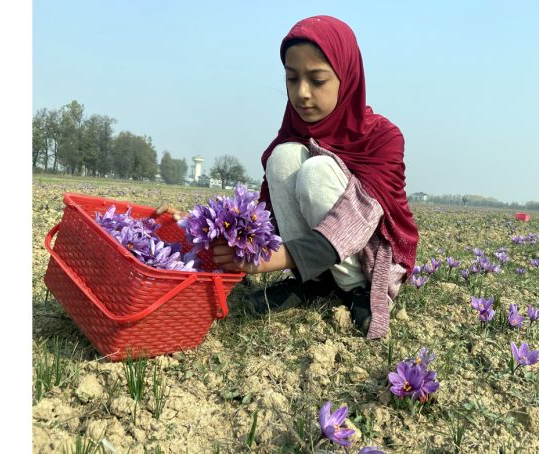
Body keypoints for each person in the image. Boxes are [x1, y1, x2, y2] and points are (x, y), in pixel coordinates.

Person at [168, 15, 419, 339]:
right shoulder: (295, 132)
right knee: (283, 157)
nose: (301, 93)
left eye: (317, 80)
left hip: (369, 255)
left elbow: (356, 218)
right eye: (292, 78)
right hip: (316, 256)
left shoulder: (382, 137)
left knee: (316, 170)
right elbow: (264, 209)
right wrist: (198, 225)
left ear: (347, 78)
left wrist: (273, 259)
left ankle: (356, 288)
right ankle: (313, 281)